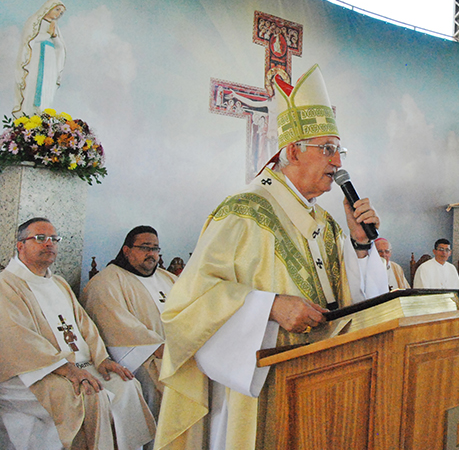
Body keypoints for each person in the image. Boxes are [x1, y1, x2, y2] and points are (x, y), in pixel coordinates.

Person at [155, 66, 388, 450]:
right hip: (260, 386)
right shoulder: (244, 211)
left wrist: (361, 246)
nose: (337, 162)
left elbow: (355, 303)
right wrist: (270, 307)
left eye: (338, 150)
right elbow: (188, 303)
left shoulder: (328, 224)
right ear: (293, 150)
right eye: (327, 149)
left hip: (323, 379)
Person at [0, 218, 155, 450]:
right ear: (20, 245)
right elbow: (17, 338)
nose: (49, 244)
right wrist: (66, 369)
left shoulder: (59, 283)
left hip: (77, 366)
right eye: (40, 238)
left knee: (127, 386)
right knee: (89, 395)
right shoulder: (7, 284)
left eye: (54, 239)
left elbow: (85, 326)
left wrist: (102, 359)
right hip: (32, 371)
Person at [81, 226, 177, 423]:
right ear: (127, 250)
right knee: (156, 387)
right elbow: (117, 324)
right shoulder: (106, 281)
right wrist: (160, 348)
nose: (151, 254)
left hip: (176, 353)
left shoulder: (168, 279)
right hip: (142, 356)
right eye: (145, 247)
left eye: (156, 249)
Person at [13, 0, 67, 116]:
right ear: (48, 8)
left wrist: (54, 35)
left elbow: (60, 47)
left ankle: (43, 117)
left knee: (47, 87)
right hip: (35, 58)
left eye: (61, 13)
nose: (58, 14)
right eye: (57, 10)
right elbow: (29, 40)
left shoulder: (55, 27)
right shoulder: (35, 21)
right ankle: (27, 117)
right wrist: (48, 34)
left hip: (50, 60)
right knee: (31, 85)